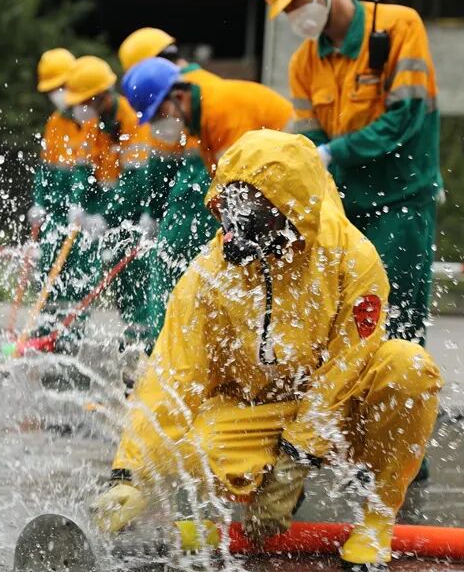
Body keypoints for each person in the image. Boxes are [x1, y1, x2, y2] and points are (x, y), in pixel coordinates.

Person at [91, 130, 443, 568]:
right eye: (230, 212)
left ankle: (377, 520)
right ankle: (260, 487)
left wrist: (295, 462)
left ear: (292, 210)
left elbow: (346, 370)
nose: (237, 233)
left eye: (253, 217)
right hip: (258, 412)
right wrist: (131, 476)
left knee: (409, 368)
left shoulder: (352, 259)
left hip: (343, 414)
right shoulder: (209, 273)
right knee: (188, 454)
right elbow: (171, 374)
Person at [256, 0, 441, 346]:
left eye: (294, 1)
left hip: (400, 201)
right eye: (285, 9)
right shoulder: (303, 64)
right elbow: (311, 140)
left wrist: (335, 152)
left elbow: (406, 118)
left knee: (395, 322)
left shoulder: (398, 27)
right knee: (341, 326)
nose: (293, 15)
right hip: (344, 210)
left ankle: (400, 402)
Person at [121, 56, 293, 336]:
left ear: (178, 96)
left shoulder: (222, 109)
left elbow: (243, 183)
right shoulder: (199, 118)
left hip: (297, 170)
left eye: (160, 115)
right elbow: (222, 182)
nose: (159, 126)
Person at [63, 55, 154, 348]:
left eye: (85, 100)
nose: (80, 107)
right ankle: (69, 336)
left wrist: (107, 216)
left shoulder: (133, 119)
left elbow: (135, 182)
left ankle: (142, 347)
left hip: (135, 215)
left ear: (103, 96)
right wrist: (78, 204)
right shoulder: (93, 124)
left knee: (134, 279)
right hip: (104, 213)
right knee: (90, 275)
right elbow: (83, 170)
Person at [28, 48, 96, 346]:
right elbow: (45, 170)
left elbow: (96, 172)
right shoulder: (55, 122)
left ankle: (70, 337)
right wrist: (38, 202)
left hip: (83, 216)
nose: (57, 94)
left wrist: (84, 204)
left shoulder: (92, 120)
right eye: (52, 90)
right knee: (49, 274)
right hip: (56, 215)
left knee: (77, 276)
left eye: (61, 87)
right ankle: (45, 334)